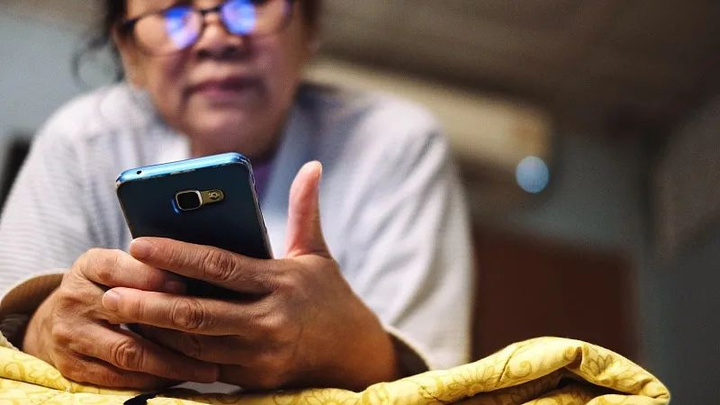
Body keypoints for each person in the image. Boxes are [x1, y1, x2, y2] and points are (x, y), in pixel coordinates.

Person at [0, 0, 473, 392]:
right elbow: (12, 328)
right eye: (173, 15)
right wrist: (46, 328)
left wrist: (344, 346)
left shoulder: (395, 144)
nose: (216, 39)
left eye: (248, 5)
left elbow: (435, 379)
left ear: (309, 28)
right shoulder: (80, 141)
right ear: (130, 53)